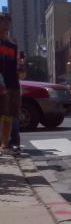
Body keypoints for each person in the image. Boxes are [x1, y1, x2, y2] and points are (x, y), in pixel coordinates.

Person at [0, 13, 21, 154]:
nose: (7, 24)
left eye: (8, 21)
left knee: (12, 114)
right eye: (3, 21)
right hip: (2, 85)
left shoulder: (12, 45)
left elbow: (16, 66)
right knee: (4, 114)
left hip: (13, 84)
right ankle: (5, 144)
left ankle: (10, 144)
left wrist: (21, 67)